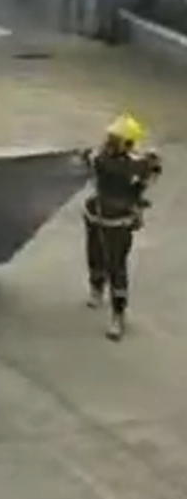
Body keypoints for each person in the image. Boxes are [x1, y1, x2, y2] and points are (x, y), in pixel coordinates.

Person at [82, 115, 162, 340]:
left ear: (127, 144)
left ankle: (118, 315)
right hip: (98, 214)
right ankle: (97, 288)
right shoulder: (134, 164)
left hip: (117, 222)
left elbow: (90, 159)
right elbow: (149, 172)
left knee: (116, 266)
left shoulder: (108, 160)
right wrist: (151, 166)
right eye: (110, 137)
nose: (109, 141)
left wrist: (146, 173)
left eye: (115, 139)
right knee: (95, 255)